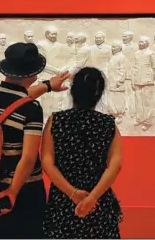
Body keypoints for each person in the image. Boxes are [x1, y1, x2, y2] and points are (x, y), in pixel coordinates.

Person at [0, 42, 70, 239]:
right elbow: (29, 157)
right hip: (24, 188)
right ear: (33, 74)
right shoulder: (32, 109)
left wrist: (47, 86)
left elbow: (18, 100)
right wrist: (13, 190)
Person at [41, 67, 123, 239]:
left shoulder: (56, 121)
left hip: (62, 201)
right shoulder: (108, 124)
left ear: (72, 91)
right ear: (99, 93)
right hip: (98, 201)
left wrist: (72, 193)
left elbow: (47, 162)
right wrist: (91, 198)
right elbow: (115, 165)